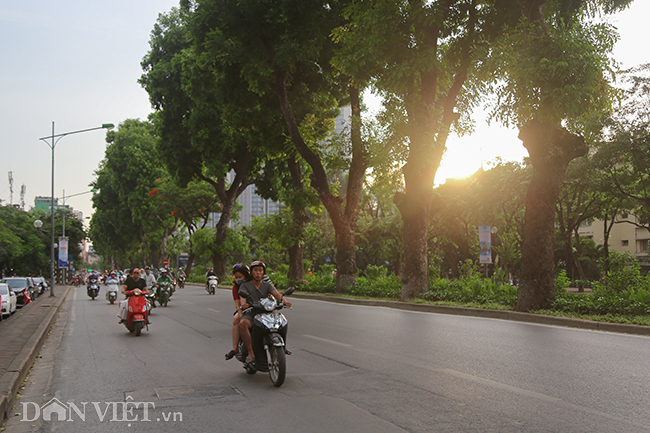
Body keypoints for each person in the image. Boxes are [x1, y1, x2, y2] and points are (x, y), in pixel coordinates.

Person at [238, 261, 292, 365]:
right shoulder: (245, 286)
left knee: (284, 322)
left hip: (267, 313)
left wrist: (284, 301)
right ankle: (250, 352)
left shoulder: (267, 285)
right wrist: (244, 304)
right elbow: (242, 299)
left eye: (260, 270)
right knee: (243, 323)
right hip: (252, 313)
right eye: (256, 270)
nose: (258, 273)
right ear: (252, 273)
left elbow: (277, 294)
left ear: (263, 272)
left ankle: (282, 347)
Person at [225, 264, 251, 360]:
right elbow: (237, 302)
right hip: (245, 309)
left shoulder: (253, 282)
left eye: (240, 277)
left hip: (260, 307)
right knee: (236, 319)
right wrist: (240, 311)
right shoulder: (236, 287)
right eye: (236, 277)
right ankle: (235, 348)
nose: (238, 279)